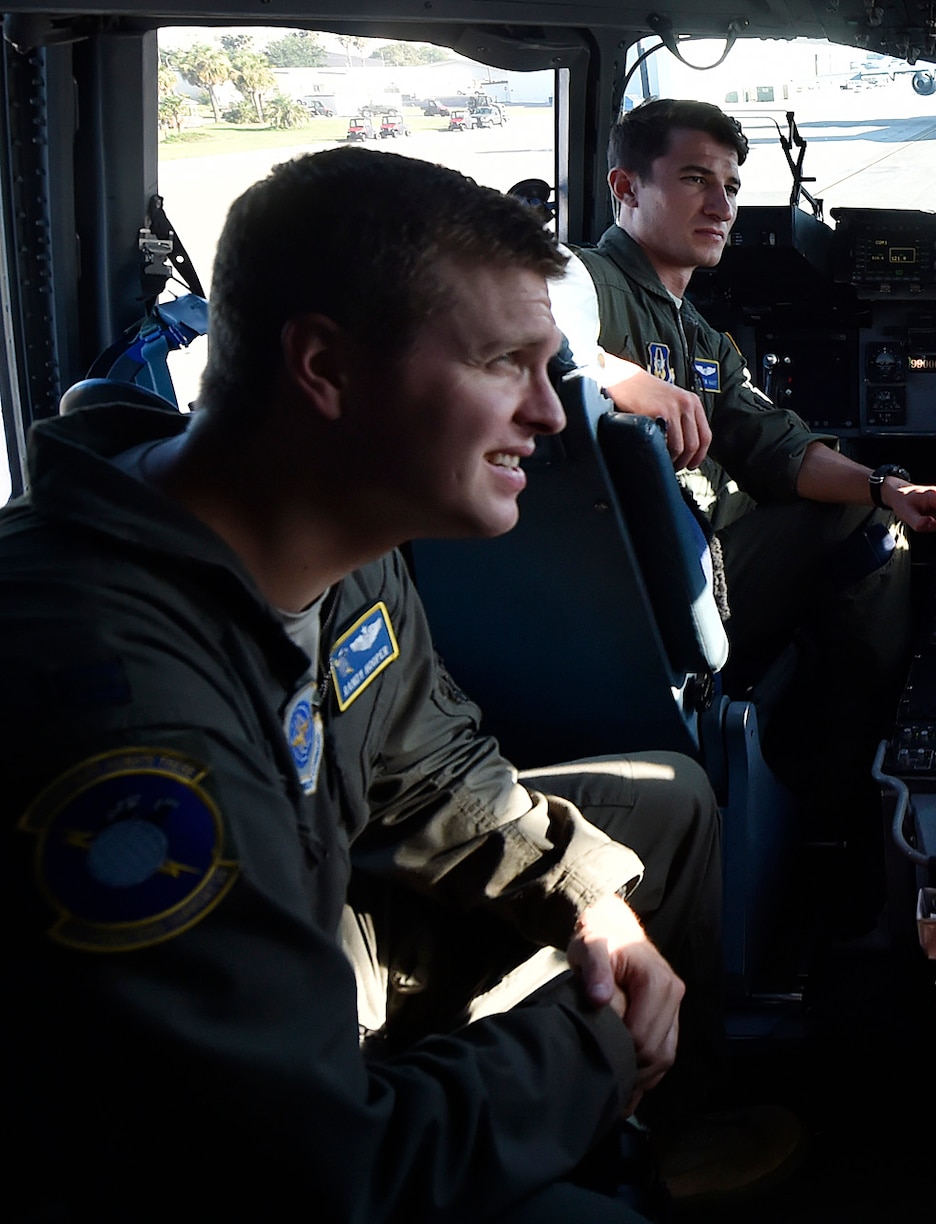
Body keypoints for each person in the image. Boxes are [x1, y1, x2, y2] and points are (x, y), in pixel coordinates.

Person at [2, 148, 732, 1221]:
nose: (551, 414)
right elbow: (312, 1171)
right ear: (325, 371)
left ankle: (645, 1141)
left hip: (322, 938)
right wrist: (593, 1047)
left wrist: (594, 903)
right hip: (203, 1151)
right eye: (501, 365)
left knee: (662, 807)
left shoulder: (338, 533)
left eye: (548, 366)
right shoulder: (121, 717)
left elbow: (434, 769)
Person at [554, 98, 936, 884]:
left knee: (864, 511)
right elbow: (516, 316)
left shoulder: (697, 333)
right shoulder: (591, 279)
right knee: (865, 541)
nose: (722, 205)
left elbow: (774, 443)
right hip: (652, 585)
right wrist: (618, 376)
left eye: (731, 186)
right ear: (625, 187)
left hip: (688, 558)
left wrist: (887, 485)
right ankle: (851, 790)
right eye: (693, 179)